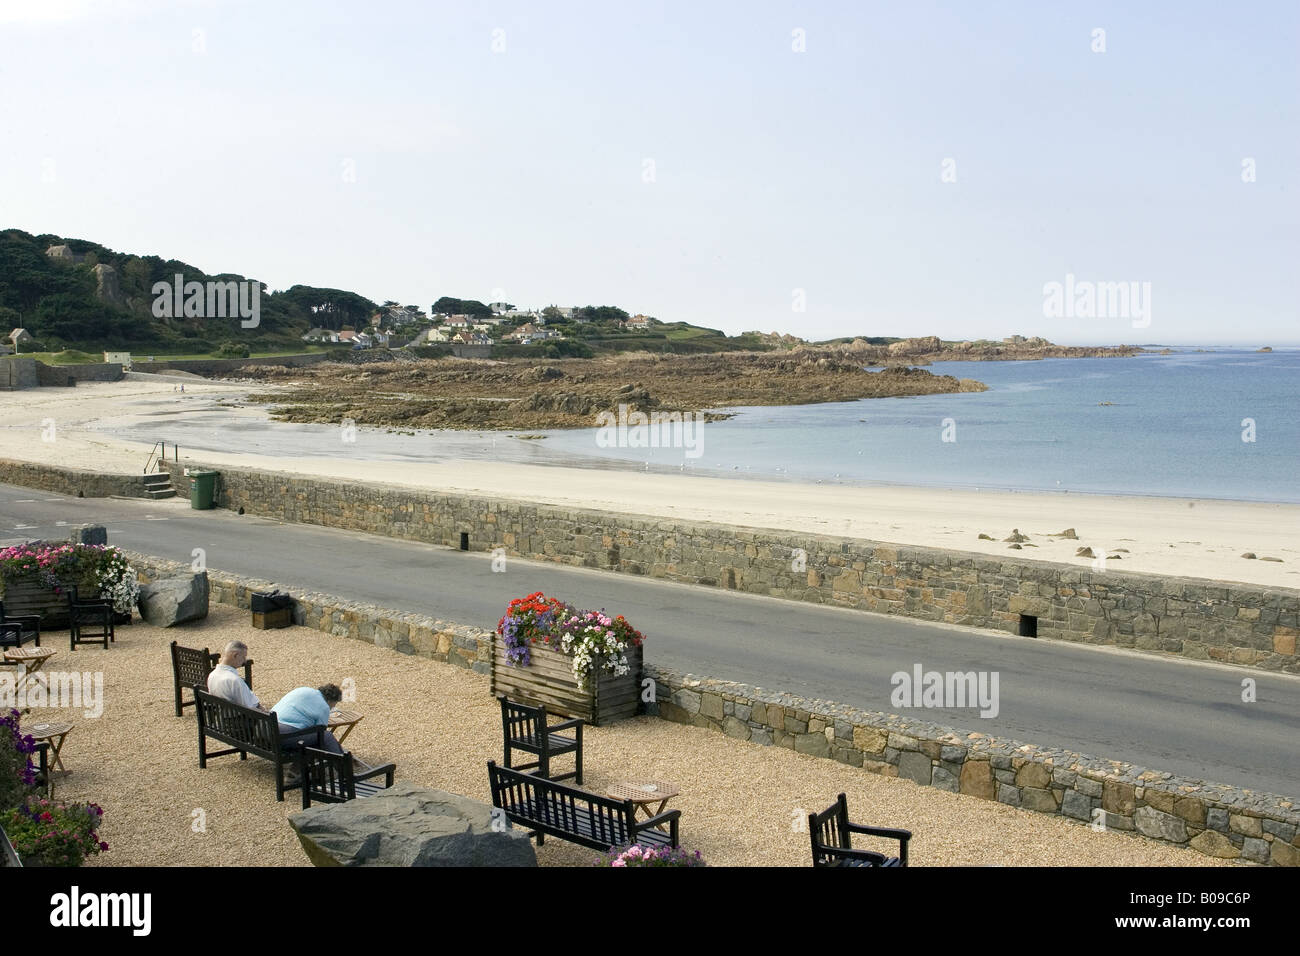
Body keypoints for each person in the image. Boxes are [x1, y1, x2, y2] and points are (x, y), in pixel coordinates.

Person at [271, 683, 345, 755]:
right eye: (334, 704)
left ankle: (343, 755)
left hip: (268, 728)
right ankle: (343, 763)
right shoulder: (324, 706)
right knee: (327, 736)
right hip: (282, 736)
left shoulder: (304, 690)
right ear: (330, 700)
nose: (333, 707)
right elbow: (321, 731)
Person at [206, 641, 260, 710]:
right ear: (235, 655)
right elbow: (250, 707)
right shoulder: (234, 680)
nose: (245, 661)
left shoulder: (211, 675)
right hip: (241, 718)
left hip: (222, 717)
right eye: (243, 657)